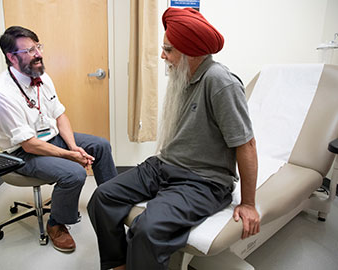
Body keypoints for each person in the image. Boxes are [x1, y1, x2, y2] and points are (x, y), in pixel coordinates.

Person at [87, 7, 260, 270]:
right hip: (163, 166)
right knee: (101, 198)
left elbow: (246, 144)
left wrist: (248, 203)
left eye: (168, 49)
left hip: (203, 181)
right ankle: (119, 264)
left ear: (190, 52)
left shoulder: (220, 82)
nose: (162, 55)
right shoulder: (183, 76)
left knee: (146, 230)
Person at [0, 26, 117, 253]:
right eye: (29, 50)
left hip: (51, 137)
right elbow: (28, 144)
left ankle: (113, 201)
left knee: (101, 145)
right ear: (11, 57)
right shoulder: (0, 95)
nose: (38, 54)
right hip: (22, 153)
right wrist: (70, 155)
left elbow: (59, 114)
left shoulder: (42, 76)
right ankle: (56, 223)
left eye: (38, 47)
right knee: (74, 173)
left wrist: (73, 146)